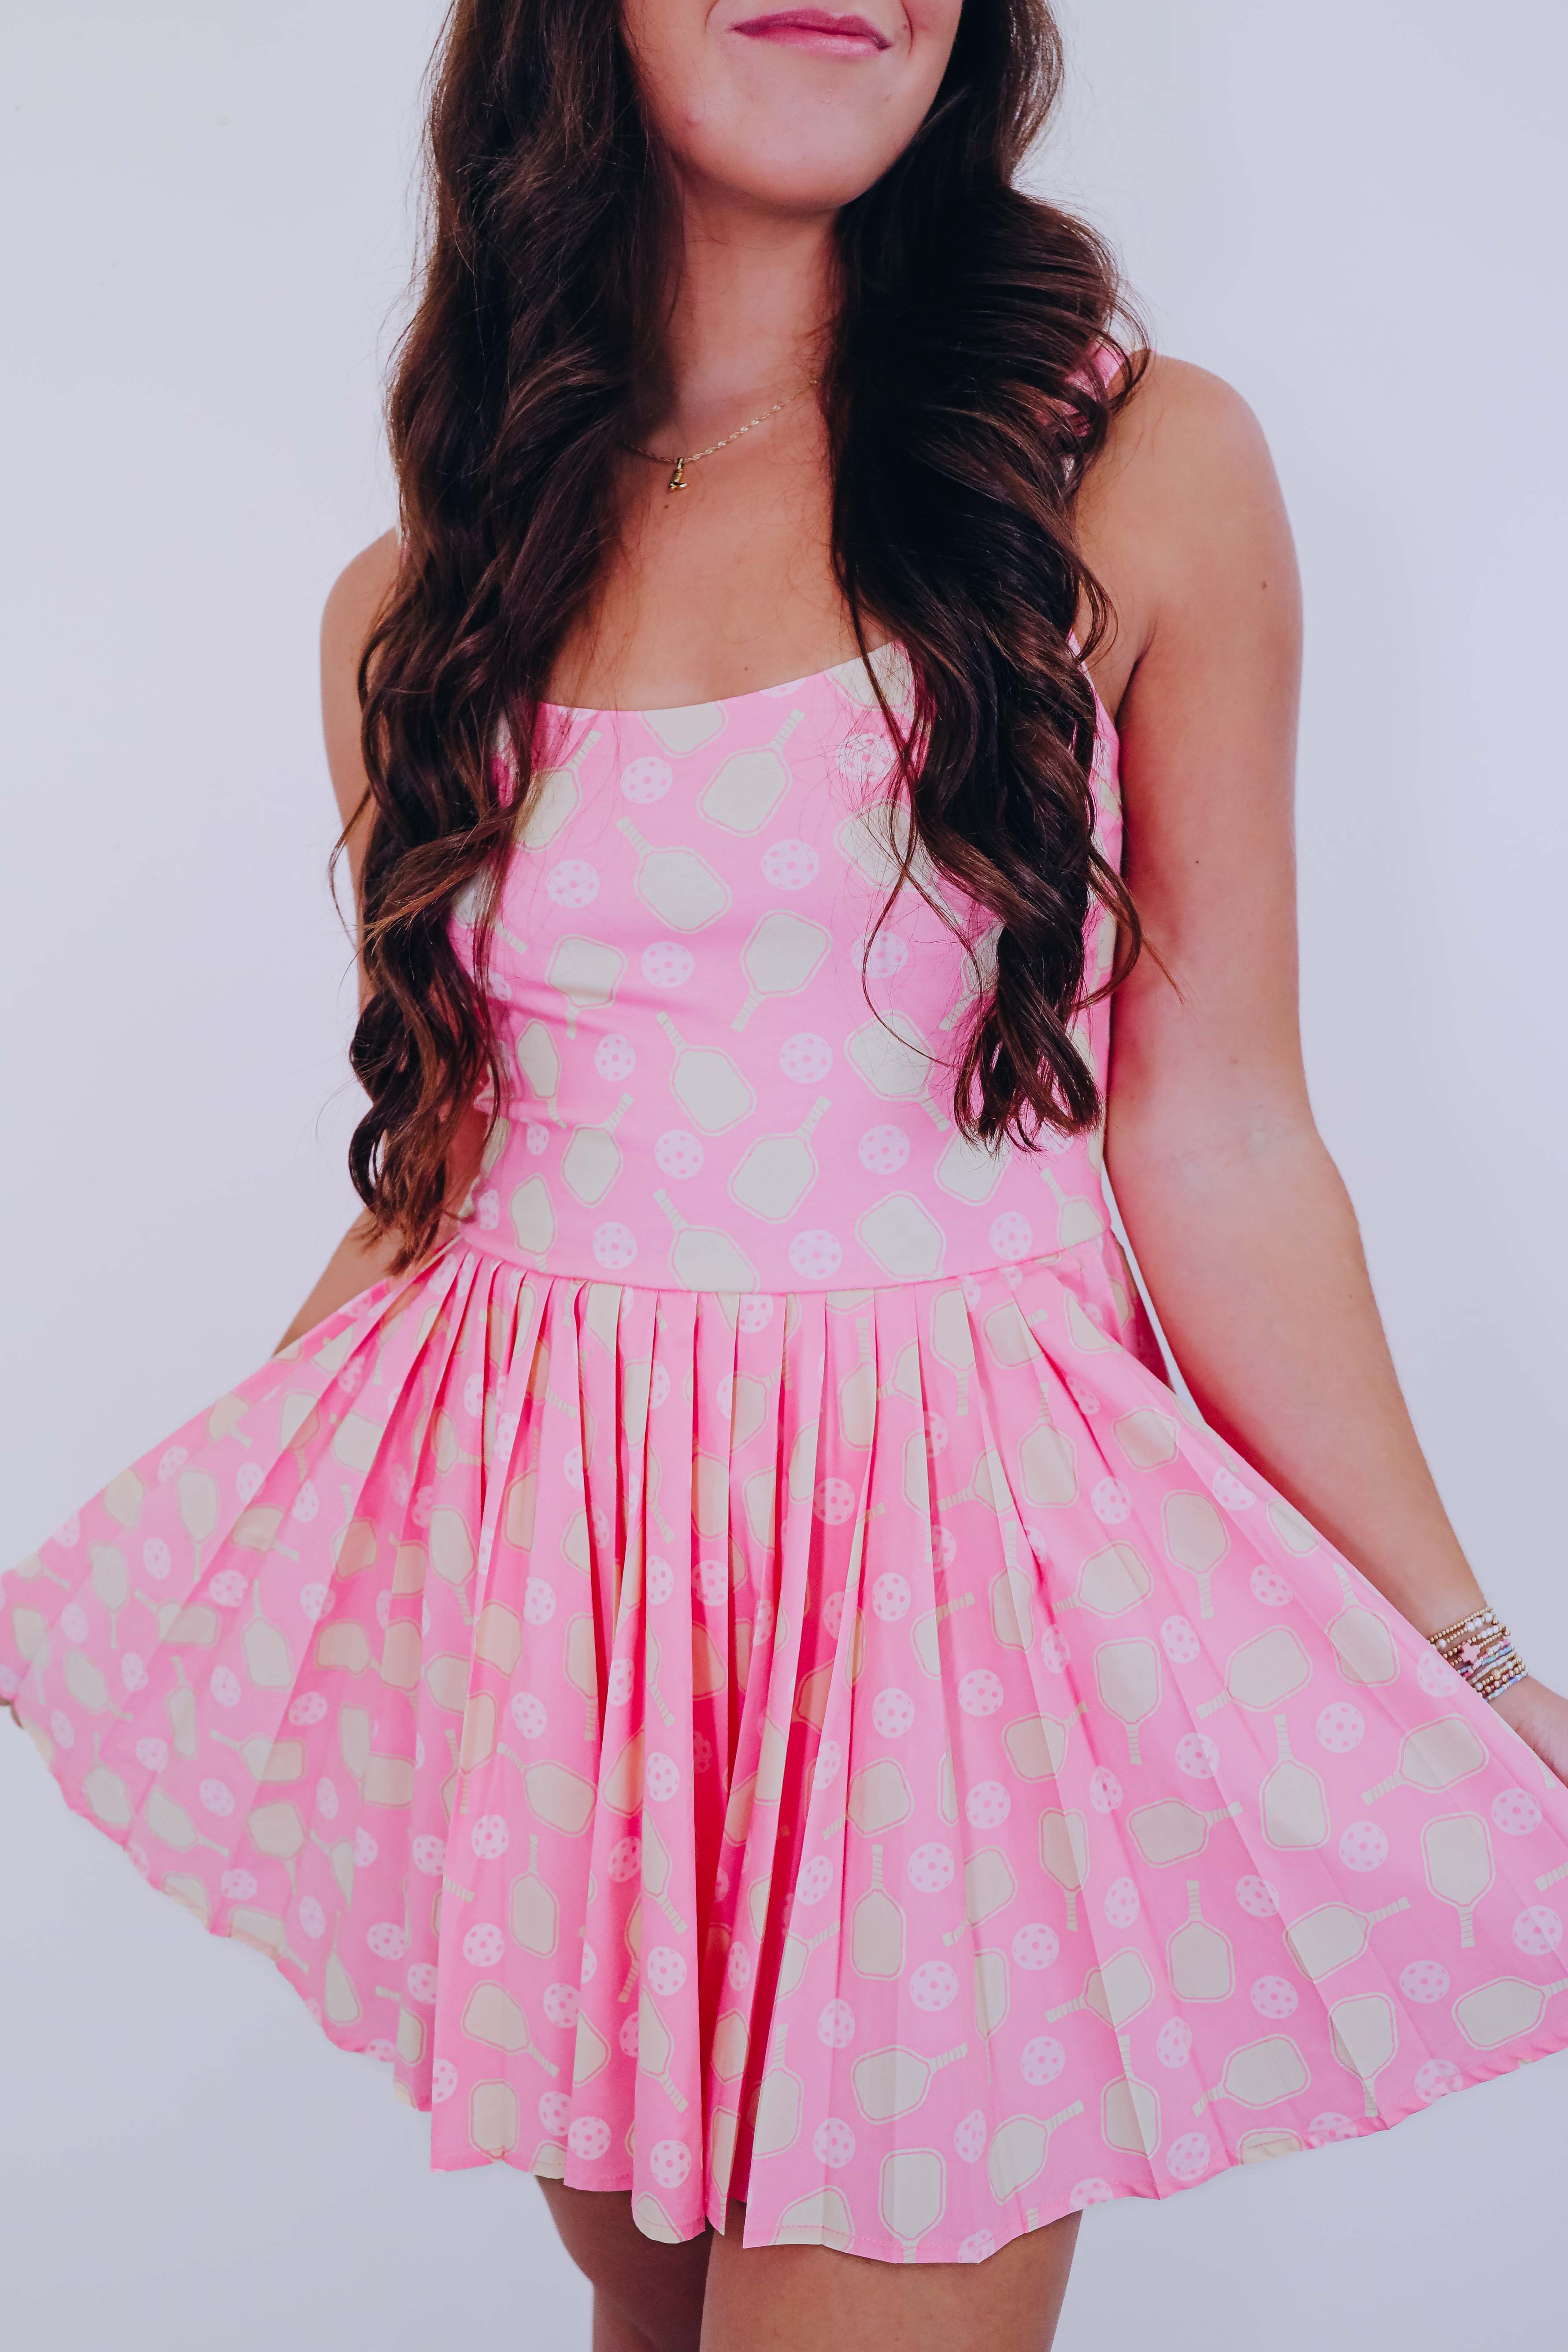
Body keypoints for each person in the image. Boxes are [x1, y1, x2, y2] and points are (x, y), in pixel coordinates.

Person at [4, 4, 1566, 2347]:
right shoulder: (421, 602)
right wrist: (187, 1587)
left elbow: (1218, 1121)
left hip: (948, 1623)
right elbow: (448, 1181)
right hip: (569, 1638)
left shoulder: (1126, 470)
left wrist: (1468, 1655)